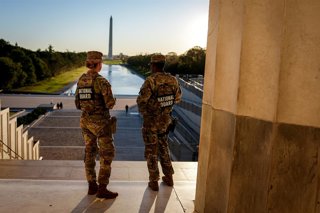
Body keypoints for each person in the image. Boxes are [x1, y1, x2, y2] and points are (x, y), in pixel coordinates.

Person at [75, 51, 118, 199]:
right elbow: (110, 104)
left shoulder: (81, 80)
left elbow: (77, 103)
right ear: (99, 64)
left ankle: (91, 186)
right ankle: (103, 188)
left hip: (85, 122)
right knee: (107, 154)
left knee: (89, 152)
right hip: (100, 124)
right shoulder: (102, 81)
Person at [136, 54, 182, 191]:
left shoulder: (151, 81)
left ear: (154, 65)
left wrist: (147, 113)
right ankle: (169, 177)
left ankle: (154, 181)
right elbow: (178, 98)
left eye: (151, 65)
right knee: (164, 148)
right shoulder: (173, 80)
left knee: (151, 150)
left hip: (151, 122)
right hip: (165, 121)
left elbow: (141, 102)